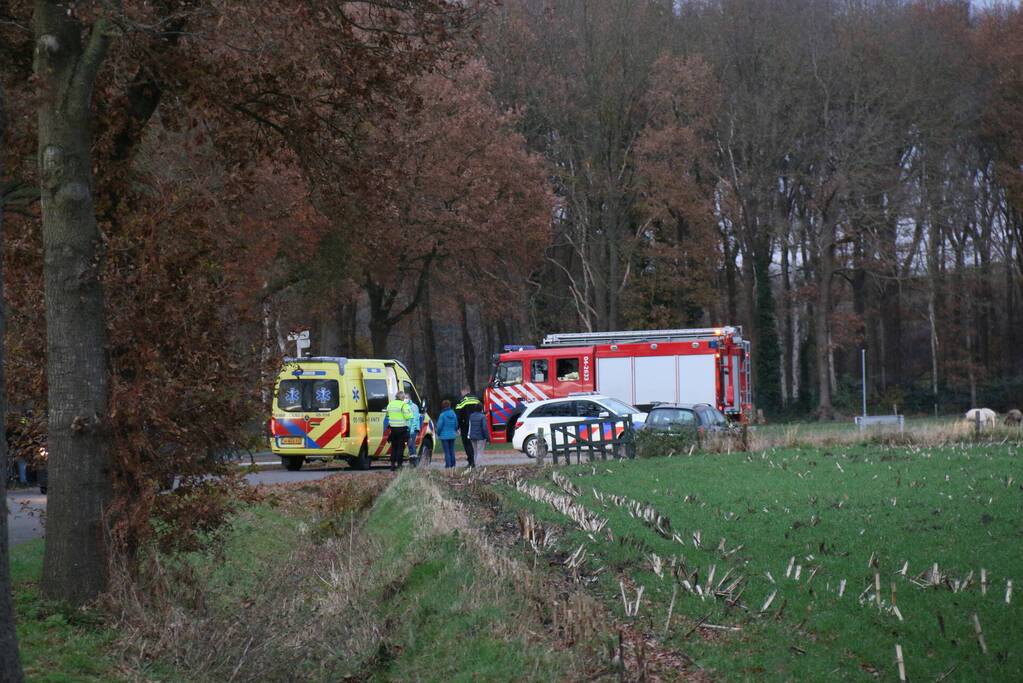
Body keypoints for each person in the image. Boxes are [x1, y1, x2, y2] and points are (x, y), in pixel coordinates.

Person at [383, 391, 414, 470]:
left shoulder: (390, 404)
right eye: (404, 397)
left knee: (394, 447)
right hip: (402, 429)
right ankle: (399, 465)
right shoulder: (404, 405)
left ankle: (392, 464)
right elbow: (408, 416)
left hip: (393, 429)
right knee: (401, 447)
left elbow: (387, 415)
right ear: (402, 398)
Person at [455, 387, 482, 468]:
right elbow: (481, 410)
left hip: (465, 425)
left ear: (463, 391)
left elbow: (458, 415)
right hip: (476, 424)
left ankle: (471, 462)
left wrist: (458, 427)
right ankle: (476, 461)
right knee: (475, 444)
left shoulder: (462, 400)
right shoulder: (476, 399)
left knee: (467, 444)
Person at [435, 399, 459, 469]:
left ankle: (448, 465)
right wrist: (454, 431)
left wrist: (438, 433)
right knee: (452, 450)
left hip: (444, 436)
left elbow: (439, 426)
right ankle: (453, 464)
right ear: (449, 405)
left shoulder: (442, 415)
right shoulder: (453, 413)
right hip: (452, 435)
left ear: (443, 406)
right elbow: (456, 424)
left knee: (447, 451)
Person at [406, 395, 422, 465]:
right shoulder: (405, 406)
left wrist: (412, 430)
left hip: (413, 429)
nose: (405, 399)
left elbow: (415, 419)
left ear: (409, 398)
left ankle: (415, 463)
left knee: (411, 444)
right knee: (410, 445)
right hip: (408, 428)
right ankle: (412, 462)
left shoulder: (414, 406)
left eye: (406, 398)